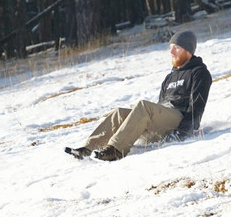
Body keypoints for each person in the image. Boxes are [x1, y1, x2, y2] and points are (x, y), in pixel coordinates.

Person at [65, 30, 212, 161]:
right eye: (170, 48)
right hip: (163, 120)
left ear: (188, 51)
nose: (172, 52)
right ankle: (87, 149)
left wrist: (183, 132)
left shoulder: (199, 72)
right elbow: (160, 105)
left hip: (179, 119)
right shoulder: (170, 77)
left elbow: (197, 105)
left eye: (177, 48)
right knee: (119, 113)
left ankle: (115, 150)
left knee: (143, 106)